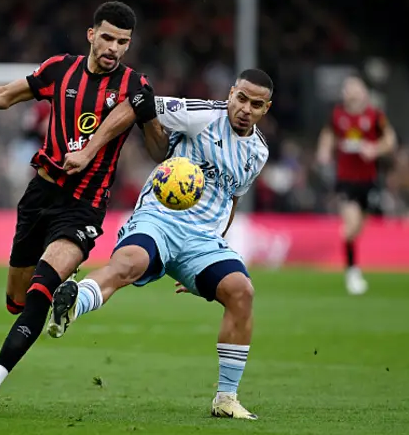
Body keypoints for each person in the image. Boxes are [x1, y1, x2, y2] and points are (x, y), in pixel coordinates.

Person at [0, 1, 162, 414]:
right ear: (91, 35)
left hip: (84, 207)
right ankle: (56, 298)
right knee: (17, 299)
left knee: (40, 289)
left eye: (122, 42)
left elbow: (160, 149)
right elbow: (3, 96)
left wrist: (149, 120)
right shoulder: (60, 69)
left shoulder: (133, 86)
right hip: (40, 196)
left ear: (129, 45)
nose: (113, 47)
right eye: (107, 37)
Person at [47, 69, 273, 420]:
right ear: (231, 93)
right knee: (130, 263)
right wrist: (91, 149)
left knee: (241, 290)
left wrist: (213, 253)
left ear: (265, 109)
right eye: (241, 98)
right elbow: (138, 104)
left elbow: (233, 198)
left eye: (255, 104)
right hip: (160, 216)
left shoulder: (258, 152)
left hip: (203, 239)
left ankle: (226, 399)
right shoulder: (199, 114)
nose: (245, 108)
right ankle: (74, 302)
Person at [316, 76, 397, 295]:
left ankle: (351, 261)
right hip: (345, 181)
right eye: (347, 88)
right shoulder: (338, 115)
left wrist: (375, 149)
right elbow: (328, 134)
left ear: (363, 92)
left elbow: (390, 140)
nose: (350, 92)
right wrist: (324, 150)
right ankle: (352, 272)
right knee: (350, 227)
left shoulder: (374, 116)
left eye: (354, 88)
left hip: (368, 181)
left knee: (358, 228)